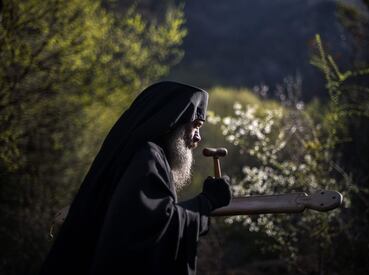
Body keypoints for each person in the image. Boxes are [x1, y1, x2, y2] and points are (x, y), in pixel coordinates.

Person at [40, 81, 232, 275]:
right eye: (196, 126)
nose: (198, 138)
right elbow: (151, 226)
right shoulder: (147, 157)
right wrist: (206, 202)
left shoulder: (145, 154)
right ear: (175, 120)